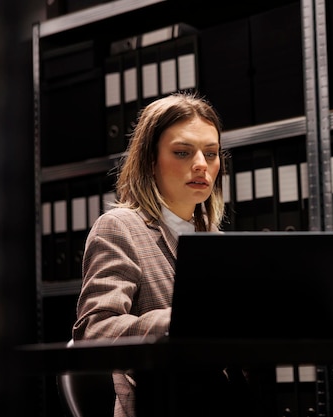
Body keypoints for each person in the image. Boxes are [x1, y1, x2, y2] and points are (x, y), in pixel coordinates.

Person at [72, 91, 259, 417]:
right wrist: (177, 322)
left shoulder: (215, 238)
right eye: (183, 152)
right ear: (150, 161)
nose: (202, 165)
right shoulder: (120, 227)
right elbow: (94, 331)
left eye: (211, 154)